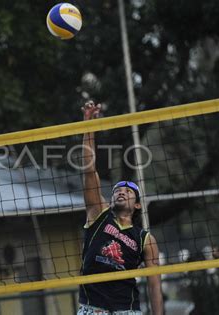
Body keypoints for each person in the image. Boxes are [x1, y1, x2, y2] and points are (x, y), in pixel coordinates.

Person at [77, 101, 163, 315]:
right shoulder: (99, 214)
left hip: (127, 309)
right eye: (117, 189)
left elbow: (154, 283)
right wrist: (89, 127)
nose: (122, 191)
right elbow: (89, 171)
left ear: (137, 204)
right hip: (92, 306)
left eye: (128, 190)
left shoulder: (145, 239)